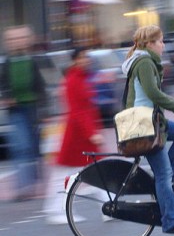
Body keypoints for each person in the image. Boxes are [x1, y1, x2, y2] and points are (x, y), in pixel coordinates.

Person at [121, 25, 174, 236]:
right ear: (150, 44)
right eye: (161, 41)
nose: (164, 45)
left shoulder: (147, 61)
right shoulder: (144, 62)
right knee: (162, 175)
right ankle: (171, 220)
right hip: (143, 126)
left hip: (153, 122)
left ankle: (166, 183)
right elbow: (153, 93)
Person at [43, 48, 105, 224]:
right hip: (78, 136)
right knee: (67, 174)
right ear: (75, 60)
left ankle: (107, 205)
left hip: (81, 134)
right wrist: (92, 133)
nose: (87, 60)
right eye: (83, 57)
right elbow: (78, 111)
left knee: (96, 170)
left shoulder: (80, 78)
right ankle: (57, 210)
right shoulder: (73, 80)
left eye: (87, 57)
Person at [0, 25, 46, 201]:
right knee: (21, 146)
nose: (16, 42)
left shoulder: (32, 60)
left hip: (32, 108)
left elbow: (40, 85)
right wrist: (6, 96)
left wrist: (44, 109)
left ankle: (32, 181)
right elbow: (3, 83)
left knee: (33, 147)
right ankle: (22, 186)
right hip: (16, 109)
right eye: (12, 39)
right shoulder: (7, 62)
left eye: (19, 38)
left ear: (27, 40)